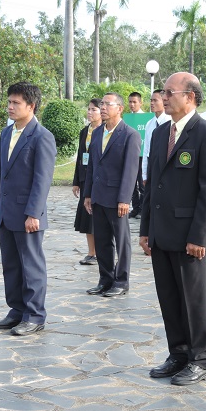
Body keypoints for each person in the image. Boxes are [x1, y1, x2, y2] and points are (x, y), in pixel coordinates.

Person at [139, 72, 206, 386]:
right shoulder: (161, 132)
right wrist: (146, 229)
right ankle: (178, 353)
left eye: (169, 92)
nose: (163, 97)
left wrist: (200, 236)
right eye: (163, 92)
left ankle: (201, 359)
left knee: (193, 300)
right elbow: (153, 185)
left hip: (190, 234)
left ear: (190, 97)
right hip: (161, 231)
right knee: (169, 297)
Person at [0, 82, 56, 336]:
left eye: (16, 103)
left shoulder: (42, 136)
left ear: (31, 106)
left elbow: (42, 179)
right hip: (6, 211)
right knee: (12, 265)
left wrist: (33, 213)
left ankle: (35, 315)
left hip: (28, 214)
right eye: (9, 102)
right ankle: (16, 310)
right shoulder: (7, 133)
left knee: (31, 266)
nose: (10, 106)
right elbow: (0, 172)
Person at [84, 93, 140, 297]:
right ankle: (105, 279)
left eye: (108, 104)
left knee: (122, 241)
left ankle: (122, 281)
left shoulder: (130, 135)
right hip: (98, 195)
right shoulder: (97, 132)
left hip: (117, 198)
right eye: (102, 104)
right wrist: (88, 193)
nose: (103, 107)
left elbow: (130, 170)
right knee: (102, 240)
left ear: (120, 108)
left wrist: (124, 199)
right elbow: (92, 166)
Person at [72, 98, 102, 265]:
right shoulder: (85, 131)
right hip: (85, 180)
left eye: (94, 109)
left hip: (99, 181)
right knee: (86, 217)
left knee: (97, 218)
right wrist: (76, 181)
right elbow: (80, 157)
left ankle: (101, 252)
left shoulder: (105, 131)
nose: (90, 112)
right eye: (89, 109)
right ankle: (91, 252)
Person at [141, 89, 171, 183]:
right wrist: (144, 174)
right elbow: (146, 149)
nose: (152, 103)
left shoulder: (170, 122)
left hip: (165, 164)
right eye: (151, 100)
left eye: (155, 100)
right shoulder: (149, 124)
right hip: (151, 164)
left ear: (164, 101)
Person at [128, 92, 145, 218]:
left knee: (142, 183)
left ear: (140, 103)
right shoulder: (127, 118)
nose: (132, 104)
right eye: (130, 102)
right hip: (130, 156)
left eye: (134, 102)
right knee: (132, 183)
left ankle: (143, 209)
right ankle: (135, 208)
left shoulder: (146, 118)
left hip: (142, 156)